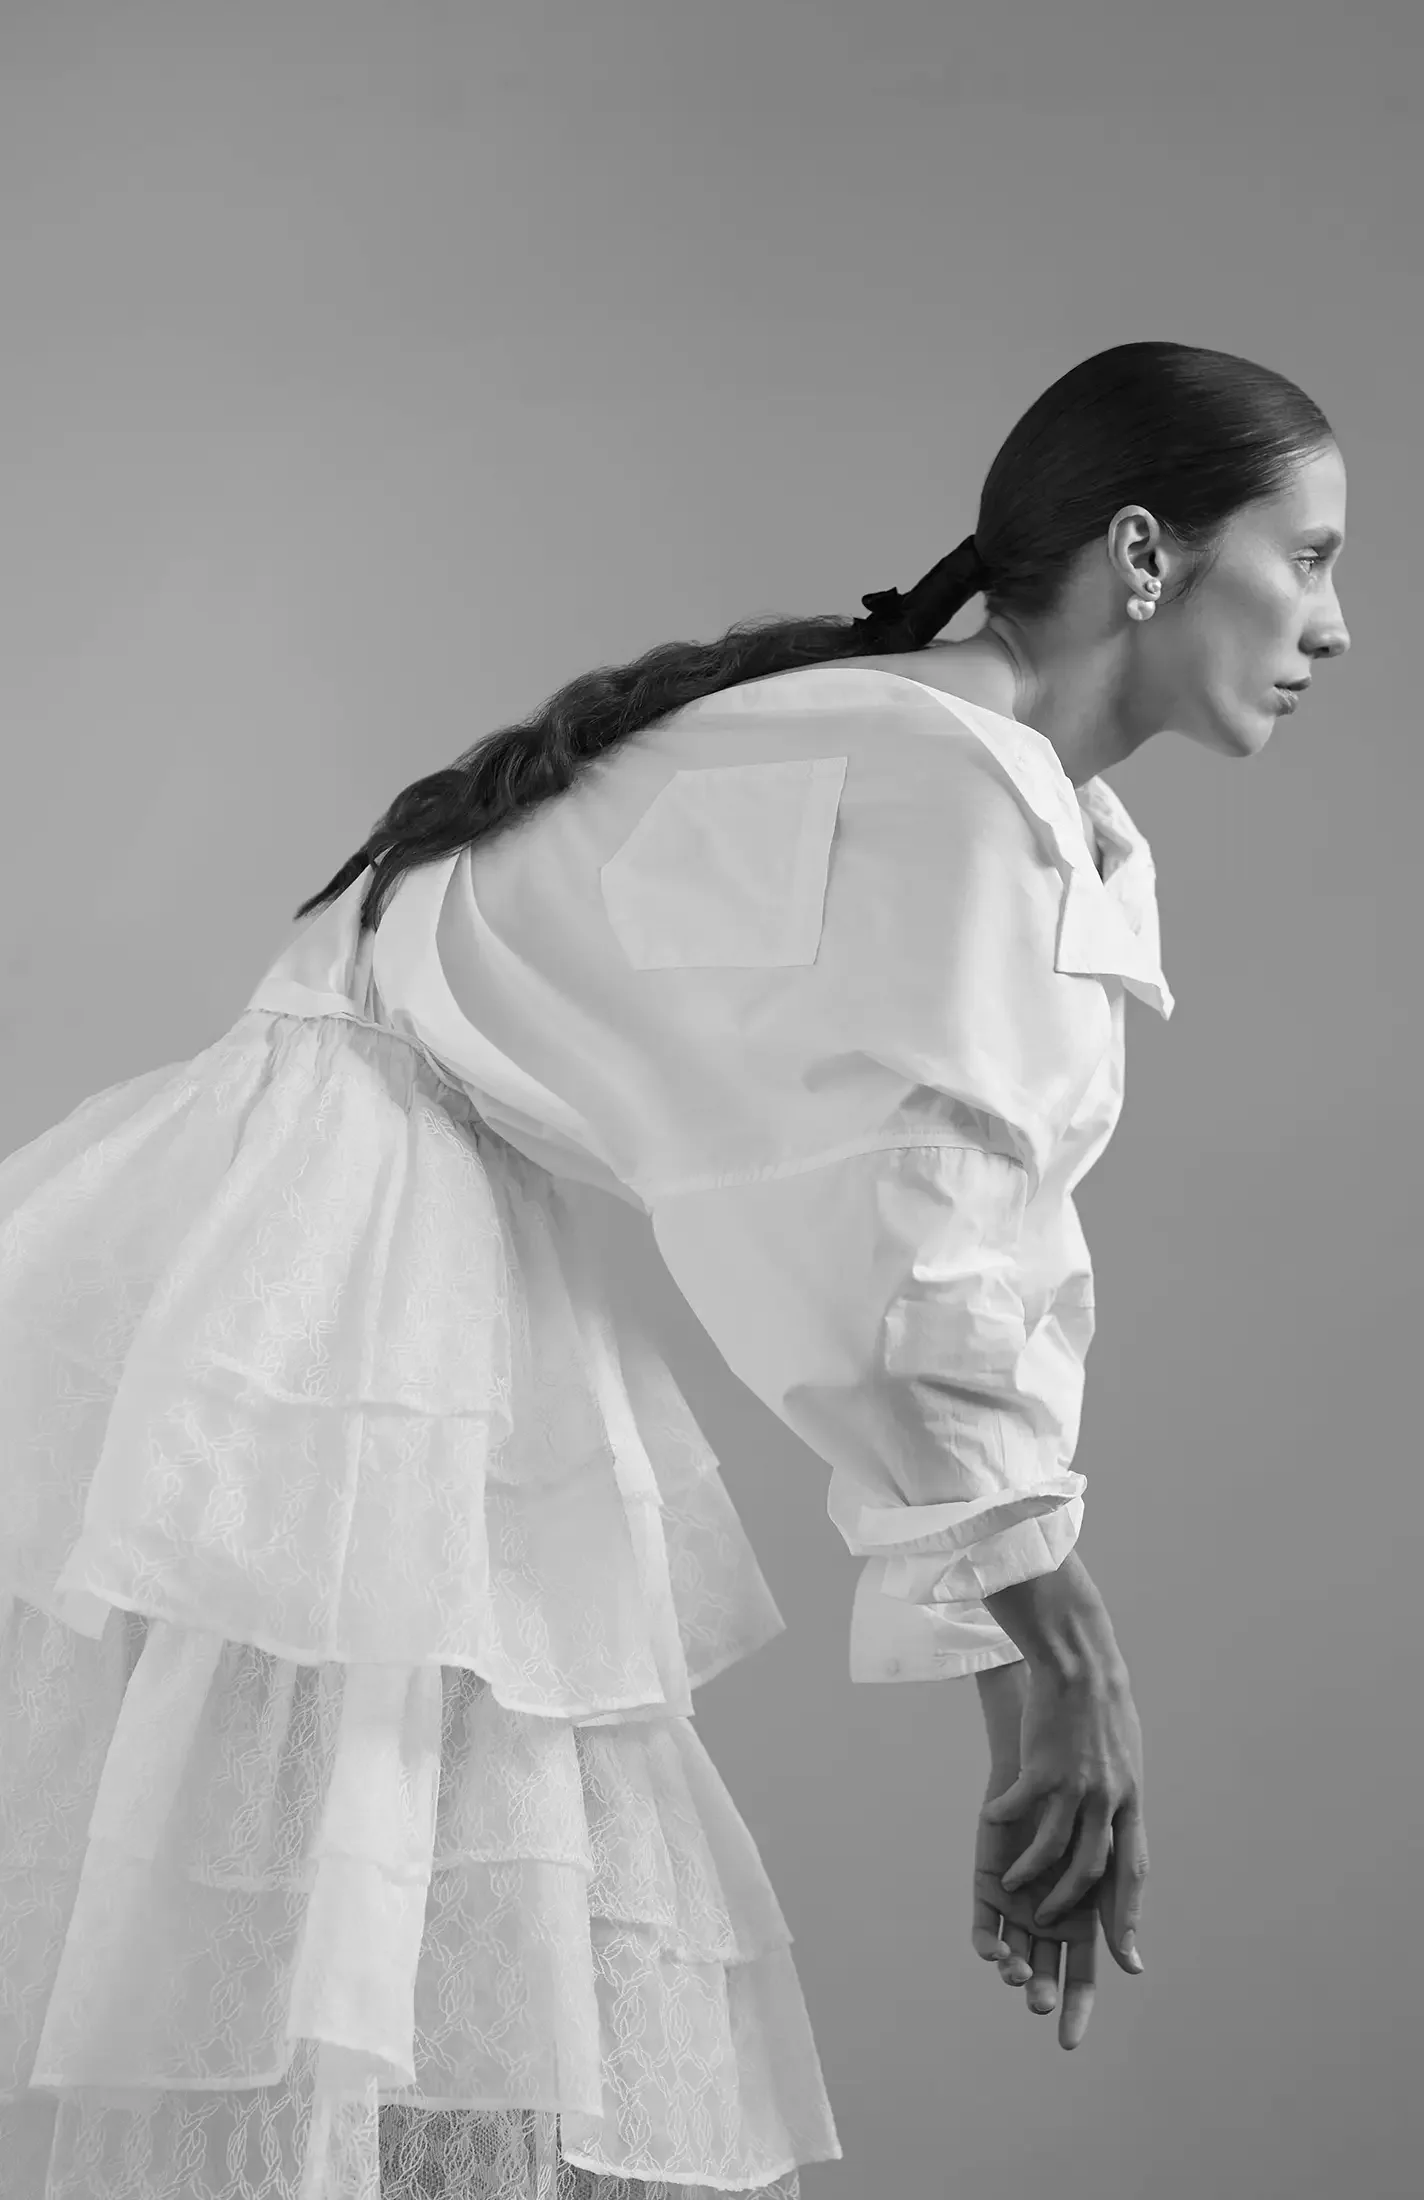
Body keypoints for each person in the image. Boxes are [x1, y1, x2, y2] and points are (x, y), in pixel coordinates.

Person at [0, 338, 1349, 2198]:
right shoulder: (950, 781)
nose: (1333, 625)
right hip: (350, 1279)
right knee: (385, 1975)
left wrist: (1022, 1696)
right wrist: (1071, 1663)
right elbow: (906, 1270)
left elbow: (954, 1262)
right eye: (1312, 555)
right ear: (1147, 551)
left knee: (416, 1975)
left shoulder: (963, 774)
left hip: (384, 1230)